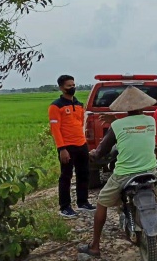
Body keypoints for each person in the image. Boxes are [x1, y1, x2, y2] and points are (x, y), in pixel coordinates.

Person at [78, 86, 157, 257]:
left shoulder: (116, 125)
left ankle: (95, 246)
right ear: (143, 105)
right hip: (150, 171)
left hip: (124, 174)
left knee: (101, 203)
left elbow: (102, 151)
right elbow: (136, 125)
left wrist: (93, 155)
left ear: (123, 107)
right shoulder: (150, 121)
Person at [48, 74, 96, 218]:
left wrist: (84, 143)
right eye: (69, 86)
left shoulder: (79, 104)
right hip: (67, 146)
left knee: (84, 174)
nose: (72, 88)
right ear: (61, 88)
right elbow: (55, 130)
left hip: (81, 144)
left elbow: (80, 124)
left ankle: (82, 202)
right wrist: (62, 149)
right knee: (66, 177)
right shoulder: (56, 106)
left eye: (73, 85)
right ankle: (65, 207)